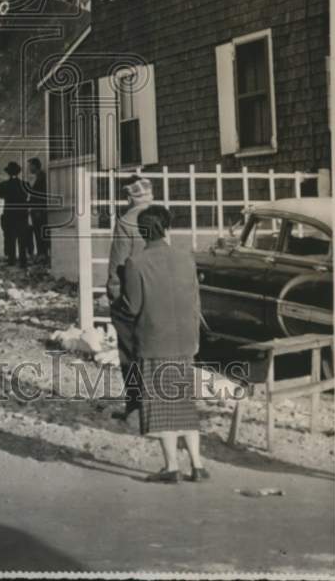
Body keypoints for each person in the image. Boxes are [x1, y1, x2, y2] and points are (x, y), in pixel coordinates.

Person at [124, 205, 208, 484]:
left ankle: (171, 467)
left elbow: (133, 307)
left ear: (141, 231)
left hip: (154, 341)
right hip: (185, 340)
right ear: (167, 228)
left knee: (162, 406)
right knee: (184, 402)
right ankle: (198, 465)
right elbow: (196, 301)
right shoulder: (186, 258)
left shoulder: (136, 263)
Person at [106, 176, 154, 421]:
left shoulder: (126, 222)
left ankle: (135, 407)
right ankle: (155, 406)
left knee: (130, 353)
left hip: (130, 296)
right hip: (156, 294)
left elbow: (118, 264)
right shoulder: (160, 218)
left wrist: (114, 295)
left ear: (128, 198)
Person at [0, 162, 30, 268]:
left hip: (9, 215)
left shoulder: (3, 185)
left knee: (10, 238)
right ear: (18, 172)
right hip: (22, 216)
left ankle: (11, 260)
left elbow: (0, 196)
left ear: (8, 173)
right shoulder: (25, 184)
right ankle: (23, 262)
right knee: (22, 239)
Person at [26, 157, 50, 264]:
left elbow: (41, 195)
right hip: (38, 210)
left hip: (39, 211)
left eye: (30, 165)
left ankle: (42, 254)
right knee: (39, 232)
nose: (29, 168)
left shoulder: (41, 178)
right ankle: (42, 254)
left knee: (39, 232)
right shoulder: (40, 177)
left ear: (35, 166)